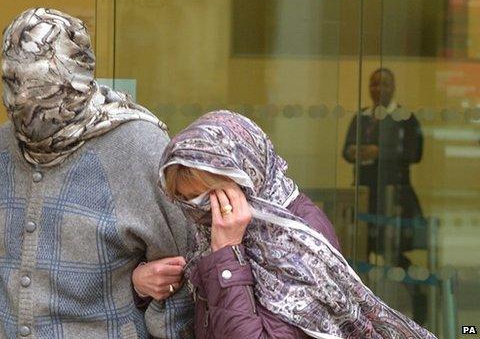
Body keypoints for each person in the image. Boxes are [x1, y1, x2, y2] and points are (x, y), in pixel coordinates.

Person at [0, 8, 193, 338]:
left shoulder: (138, 147)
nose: (22, 99)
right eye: (12, 83)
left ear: (76, 82)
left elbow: (183, 279)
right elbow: (3, 270)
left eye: (40, 89)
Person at [151, 110, 435, 338]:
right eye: (185, 199)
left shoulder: (298, 239)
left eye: (209, 196)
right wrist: (143, 285)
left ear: (248, 177)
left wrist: (227, 256)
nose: (198, 210)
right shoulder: (214, 226)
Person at [342, 68, 426, 324]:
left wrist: (379, 152)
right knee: (361, 255)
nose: (379, 89)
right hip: (365, 195)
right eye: (374, 84)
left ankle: (420, 310)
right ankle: (361, 317)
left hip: (394, 198)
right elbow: (346, 151)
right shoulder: (362, 117)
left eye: (385, 84)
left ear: (394, 87)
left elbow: (414, 153)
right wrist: (358, 151)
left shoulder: (405, 118)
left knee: (395, 254)